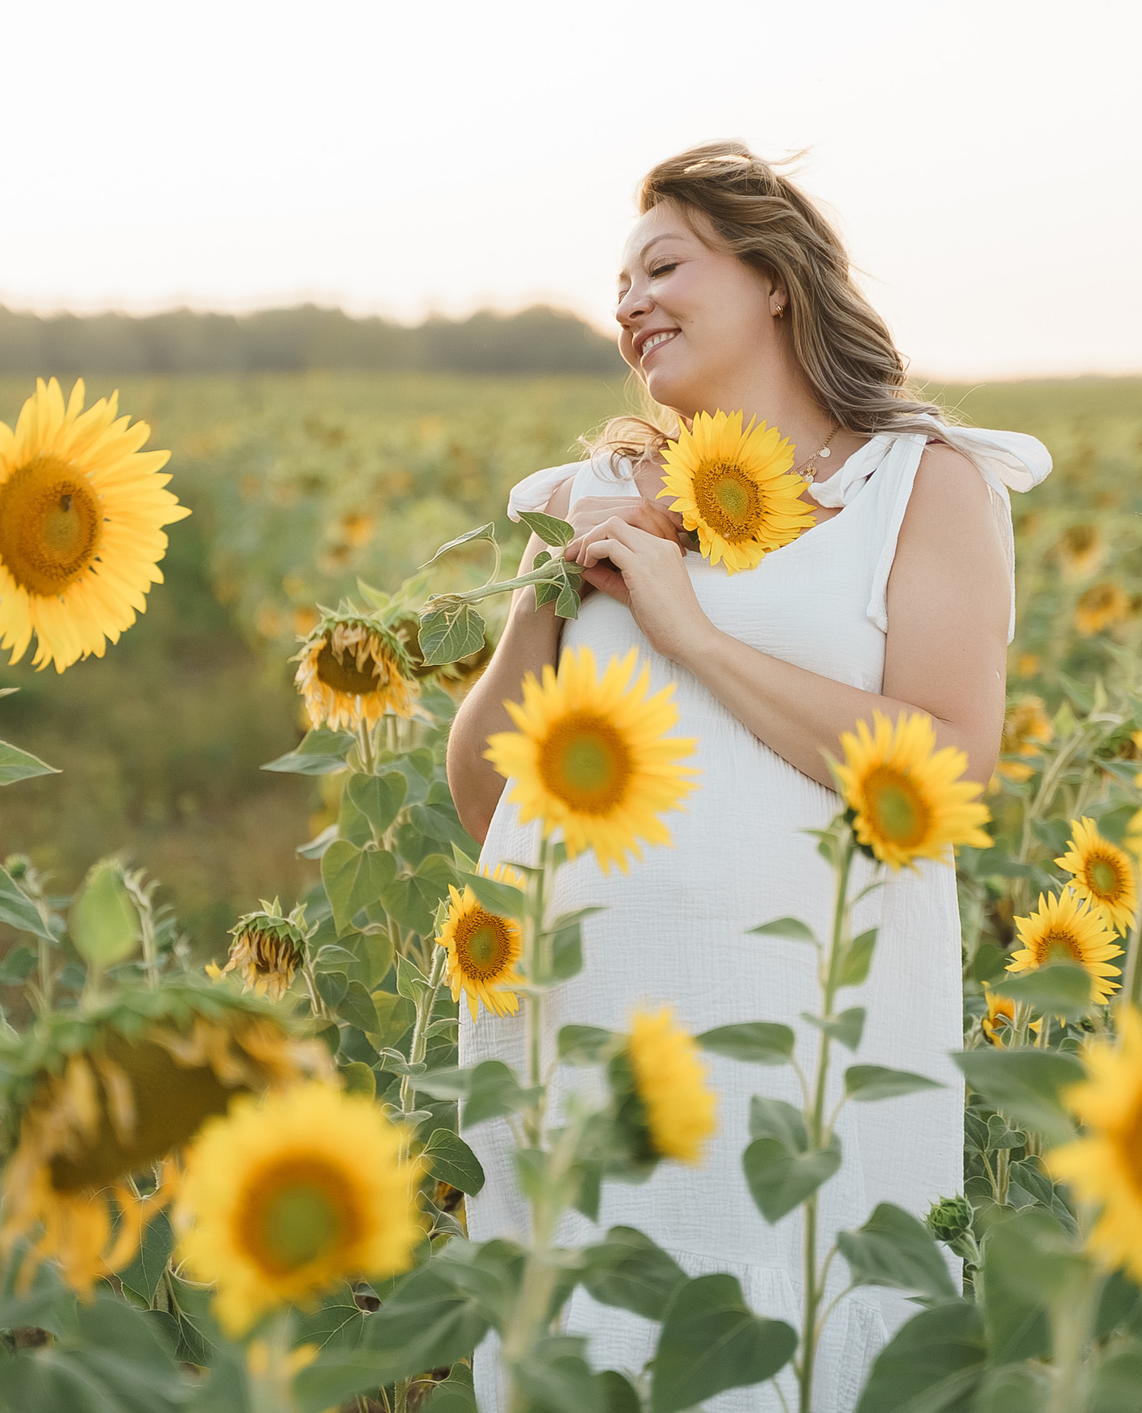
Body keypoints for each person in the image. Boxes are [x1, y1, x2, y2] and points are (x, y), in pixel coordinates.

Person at [445, 141, 1049, 1410]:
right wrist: (551, 589)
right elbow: (484, 793)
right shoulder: (589, 492)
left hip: (799, 1057)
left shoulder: (916, 483)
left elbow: (951, 771)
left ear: (773, 276)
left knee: (783, 1323)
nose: (630, 303)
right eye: (617, 287)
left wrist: (694, 634)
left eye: (663, 264)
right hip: (581, 1039)